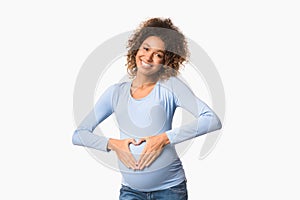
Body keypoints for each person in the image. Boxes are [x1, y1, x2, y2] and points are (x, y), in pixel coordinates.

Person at [72, 17, 222, 200]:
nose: (149, 57)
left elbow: (212, 120)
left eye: (158, 54)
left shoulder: (171, 87)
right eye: (146, 48)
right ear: (136, 49)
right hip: (130, 192)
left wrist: (164, 139)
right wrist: (114, 144)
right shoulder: (115, 93)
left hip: (170, 190)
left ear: (166, 60)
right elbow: (79, 134)